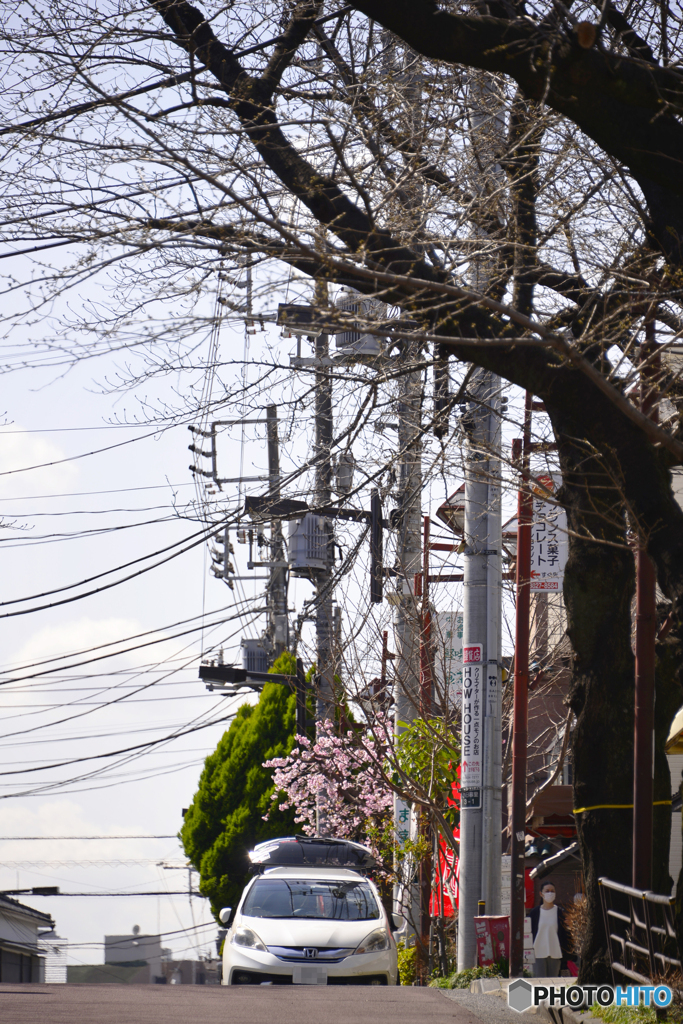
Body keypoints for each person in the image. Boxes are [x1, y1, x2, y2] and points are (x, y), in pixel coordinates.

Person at [527, 881, 569, 978]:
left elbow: (564, 934)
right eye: (547, 891)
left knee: (553, 983)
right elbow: (530, 932)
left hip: (555, 953)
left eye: (552, 891)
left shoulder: (560, 912)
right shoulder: (535, 913)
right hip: (538, 953)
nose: (550, 893)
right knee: (540, 982)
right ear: (541, 894)